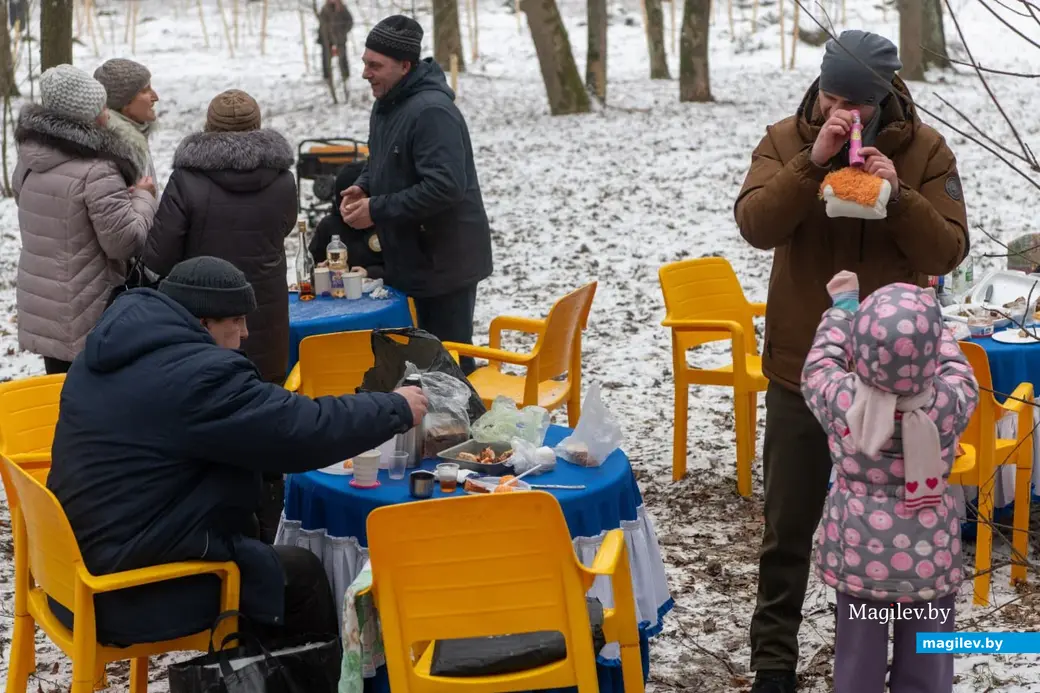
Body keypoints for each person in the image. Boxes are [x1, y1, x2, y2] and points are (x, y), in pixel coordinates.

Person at [733, 30, 970, 693]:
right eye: (833, 97)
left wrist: (899, 196)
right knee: (787, 526)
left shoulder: (925, 150)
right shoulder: (785, 138)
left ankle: (897, 664)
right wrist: (810, 164)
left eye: (857, 103)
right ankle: (773, 663)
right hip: (801, 370)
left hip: (898, 385)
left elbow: (948, 250)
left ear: (884, 97)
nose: (843, 112)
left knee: (897, 527)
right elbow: (755, 225)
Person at [47, 256, 429, 647]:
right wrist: (394, 407)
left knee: (260, 539)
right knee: (300, 576)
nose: (245, 334)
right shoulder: (197, 376)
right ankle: (280, 672)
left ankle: (252, 661)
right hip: (125, 592)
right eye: (237, 320)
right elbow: (299, 431)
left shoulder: (110, 350)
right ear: (203, 322)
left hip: (74, 571)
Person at [802, 274, 977, 693]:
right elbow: (958, 368)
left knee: (858, 657)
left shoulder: (843, 401)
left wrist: (844, 310)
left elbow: (818, 365)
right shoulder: (948, 403)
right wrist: (935, 323)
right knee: (928, 655)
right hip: (929, 559)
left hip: (860, 558)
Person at [340, 15, 493, 375]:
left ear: (405, 66)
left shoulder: (432, 112)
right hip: (411, 257)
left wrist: (376, 208)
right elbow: (382, 159)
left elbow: (445, 187)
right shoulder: (388, 103)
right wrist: (364, 184)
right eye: (364, 63)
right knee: (419, 366)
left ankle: (463, 412)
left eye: (375, 66)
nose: (365, 74)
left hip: (444, 264)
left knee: (446, 367)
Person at [144, 89, 296, 386]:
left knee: (209, 394)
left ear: (209, 126)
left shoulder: (186, 180)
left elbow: (159, 256)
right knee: (264, 394)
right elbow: (284, 227)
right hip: (266, 309)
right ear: (258, 125)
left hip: (205, 316)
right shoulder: (283, 180)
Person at [13, 64, 157, 375]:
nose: (107, 113)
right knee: (93, 394)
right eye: (101, 106)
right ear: (86, 115)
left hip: (42, 304)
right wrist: (144, 198)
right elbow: (124, 242)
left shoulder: (28, 162)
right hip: (87, 310)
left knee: (59, 390)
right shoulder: (97, 170)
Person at [310, 160, 385, 278]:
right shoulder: (329, 225)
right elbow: (310, 264)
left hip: (380, 288)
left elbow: (402, 269)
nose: (352, 205)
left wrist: (370, 273)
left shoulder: (385, 223)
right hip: (337, 287)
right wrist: (319, 270)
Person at [94, 58, 159, 183]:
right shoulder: (114, 153)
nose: (155, 97)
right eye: (145, 90)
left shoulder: (136, 139)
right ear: (124, 103)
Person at [318, 0, 353, 86]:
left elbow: (350, 22)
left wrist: (343, 32)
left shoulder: (342, 9)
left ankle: (345, 75)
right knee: (326, 58)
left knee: (342, 57)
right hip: (327, 39)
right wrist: (320, 36)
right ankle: (327, 77)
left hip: (339, 39)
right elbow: (321, 24)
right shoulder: (324, 9)